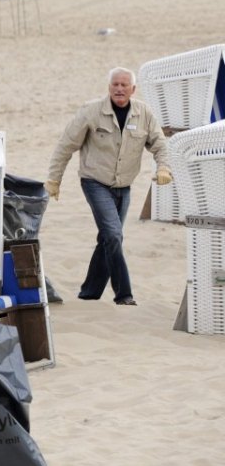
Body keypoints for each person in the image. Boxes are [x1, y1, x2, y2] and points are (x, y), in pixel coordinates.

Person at [46, 67, 171, 306]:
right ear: (109, 87)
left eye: (125, 85)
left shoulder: (144, 113)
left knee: (107, 238)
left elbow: (159, 144)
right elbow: (65, 145)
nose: (119, 89)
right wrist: (54, 179)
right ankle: (124, 293)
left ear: (133, 89)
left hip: (124, 186)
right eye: (115, 84)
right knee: (114, 235)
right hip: (95, 182)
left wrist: (163, 168)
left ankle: (89, 292)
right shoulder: (91, 111)